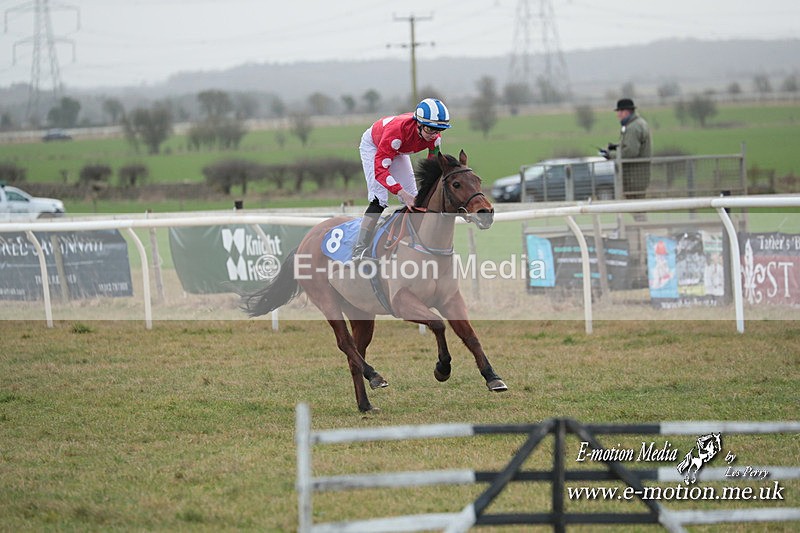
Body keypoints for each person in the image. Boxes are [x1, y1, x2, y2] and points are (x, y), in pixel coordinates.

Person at [351, 97, 451, 261]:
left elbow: (431, 169)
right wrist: (401, 193)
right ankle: (359, 248)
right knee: (380, 198)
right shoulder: (397, 133)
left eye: (438, 130)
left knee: (414, 197)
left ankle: (413, 243)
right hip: (375, 145)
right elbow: (380, 170)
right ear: (418, 123)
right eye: (430, 129)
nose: (433, 134)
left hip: (398, 149)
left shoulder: (434, 137)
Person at [602, 98, 652, 200]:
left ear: (625, 112)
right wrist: (616, 146)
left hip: (634, 177)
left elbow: (630, 152)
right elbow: (631, 145)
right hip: (639, 176)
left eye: (619, 112)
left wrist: (610, 155)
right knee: (637, 208)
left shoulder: (633, 127)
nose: (618, 115)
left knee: (636, 209)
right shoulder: (639, 123)